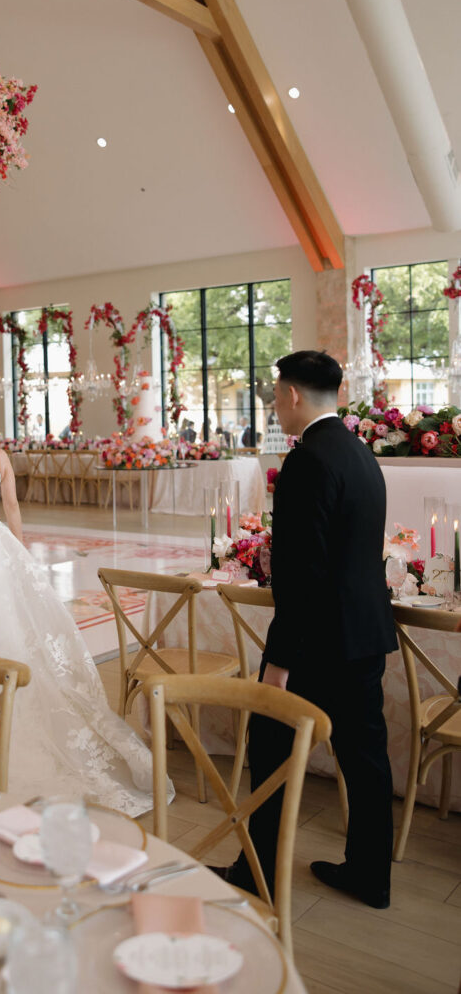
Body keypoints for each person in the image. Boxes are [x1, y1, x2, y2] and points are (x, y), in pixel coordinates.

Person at [0, 391, 167, 816]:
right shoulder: (0, 459)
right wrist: (19, 552)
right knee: (1, 620)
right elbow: (11, 508)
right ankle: (1, 684)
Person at [218, 351, 396, 908]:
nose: (274, 405)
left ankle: (258, 872)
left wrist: (279, 664)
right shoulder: (359, 452)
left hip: (319, 643)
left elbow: (301, 576)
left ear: (293, 395)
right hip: (366, 633)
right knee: (366, 761)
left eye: (275, 394)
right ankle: (371, 875)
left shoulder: (307, 461)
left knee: (269, 746)